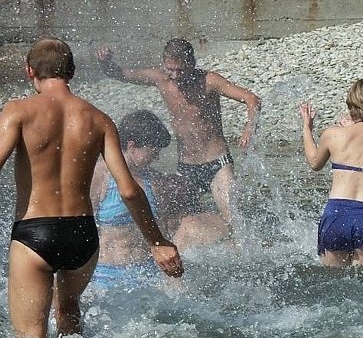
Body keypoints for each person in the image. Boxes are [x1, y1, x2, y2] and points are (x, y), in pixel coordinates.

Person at [0, 38, 182, 338]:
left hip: (34, 231)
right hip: (82, 235)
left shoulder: (17, 111)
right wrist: (157, 242)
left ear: (29, 71)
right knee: (69, 316)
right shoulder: (99, 119)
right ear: (72, 72)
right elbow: (129, 190)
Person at [96, 38, 261, 228]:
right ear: (163, 64)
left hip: (217, 164)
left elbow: (252, 99)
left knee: (234, 222)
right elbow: (119, 74)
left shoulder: (209, 81)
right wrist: (105, 62)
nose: (175, 75)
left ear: (192, 63)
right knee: (174, 224)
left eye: (180, 70)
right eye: (170, 69)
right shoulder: (160, 78)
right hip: (185, 168)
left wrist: (249, 128)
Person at [90, 110, 229, 289]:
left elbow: (164, 226)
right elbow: (79, 226)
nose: (156, 158)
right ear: (132, 146)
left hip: (148, 273)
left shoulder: (153, 180)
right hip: (106, 274)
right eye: (153, 151)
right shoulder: (100, 176)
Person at [300, 78, 363, 267]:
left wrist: (307, 128)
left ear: (351, 103)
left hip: (336, 214)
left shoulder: (333, 134)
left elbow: (314, 163)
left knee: (332, 280)